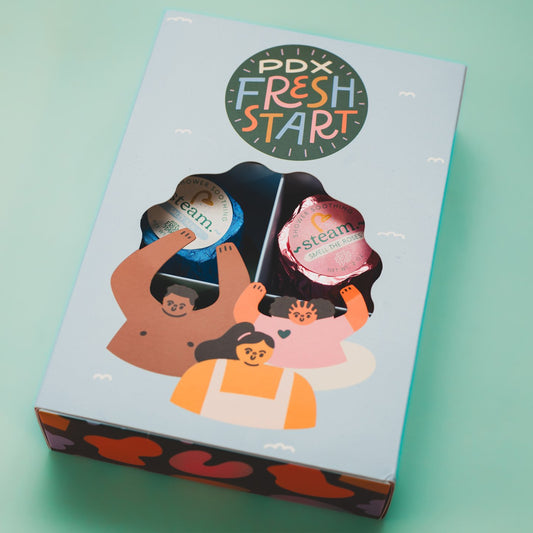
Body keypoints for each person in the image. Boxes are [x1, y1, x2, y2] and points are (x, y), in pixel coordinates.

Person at [107, 229, 250, 377]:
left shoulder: (144, 311)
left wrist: (173, 242)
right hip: (139, 366)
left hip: (168, 373)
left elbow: (126, 279)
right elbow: (233, 307)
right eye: (171, 303)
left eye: (181, 306)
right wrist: (173, 242)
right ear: (164, 300)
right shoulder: (146, 311)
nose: (175, 308)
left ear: (192, 307)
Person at [170, 323, 316, 429]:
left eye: (261, 353)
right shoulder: (207, 370)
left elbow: (302, 422)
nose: (253, 356)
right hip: (200, 429)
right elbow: (181, 406)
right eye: (248, 351)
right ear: (238, 348)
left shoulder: (292, 382)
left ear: (270, 354)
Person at [233, 282, 368, 368]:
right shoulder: (277, 323)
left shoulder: (325, 325)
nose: (302, 317)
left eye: (308, 314)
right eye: (296, 313)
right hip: (321, 366)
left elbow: (245, 315)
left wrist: (252, 295)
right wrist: (353, 298)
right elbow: (357, 319)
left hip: (317, 367)